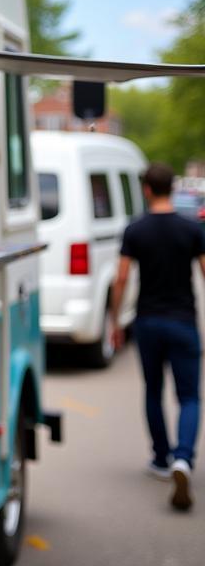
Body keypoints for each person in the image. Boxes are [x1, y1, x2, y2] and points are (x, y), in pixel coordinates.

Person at [111, 162, 205, 512]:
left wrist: (115, 322)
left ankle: (161, 459)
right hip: (183, 322)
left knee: (153, 391)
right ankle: (184, 458)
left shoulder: (135, 230)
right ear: (174, 189)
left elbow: (121, 279)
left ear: (147, 190)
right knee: (189, 396)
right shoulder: (191, 229)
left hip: (148, 322)